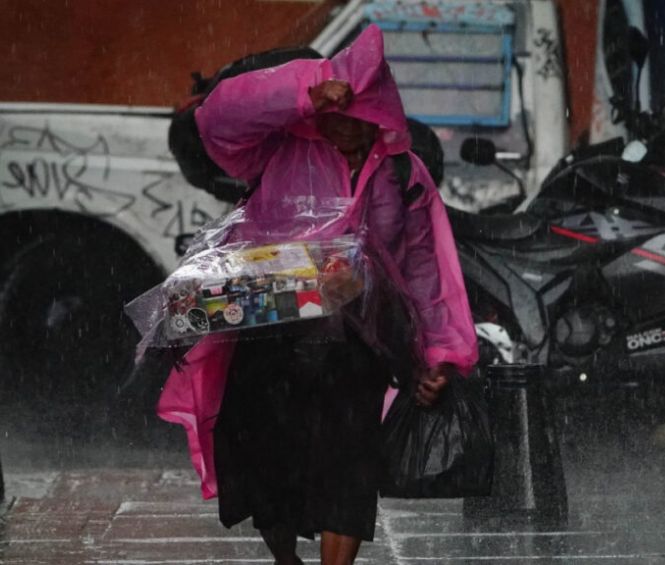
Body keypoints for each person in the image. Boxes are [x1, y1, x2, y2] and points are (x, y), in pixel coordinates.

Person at [156, 25, 478, 565]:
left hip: (356, 345)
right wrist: (306, 87)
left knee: (348, 468)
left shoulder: (402, 172)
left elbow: (426, 270)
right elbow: (216, 118)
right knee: (263, 467)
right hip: (269, 334)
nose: (343, 128)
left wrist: (440, 354)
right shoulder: (278, 149)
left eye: (359, 117)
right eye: (333, 114)